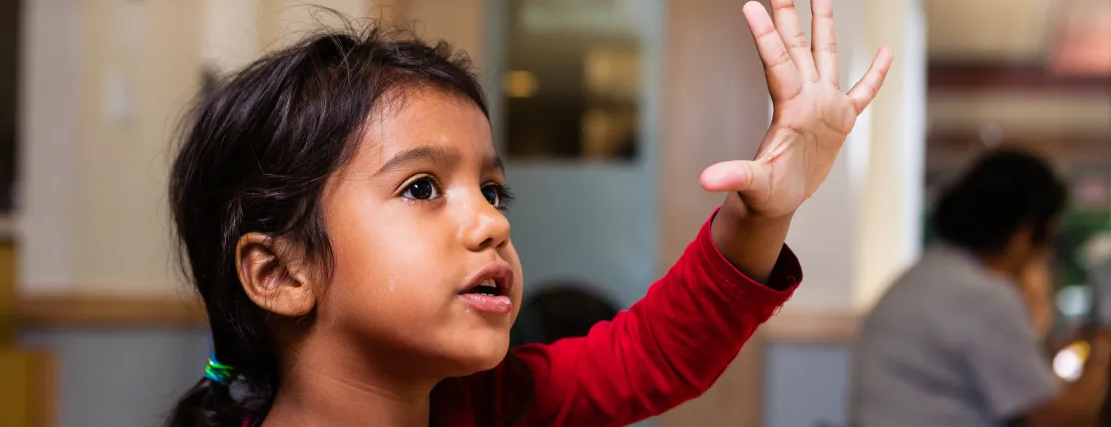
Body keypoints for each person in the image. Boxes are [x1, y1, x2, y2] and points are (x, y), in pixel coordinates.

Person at [165, 0, 892, 426]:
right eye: (422, 188)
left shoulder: (494, 404)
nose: (492, 222)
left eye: (493, 190)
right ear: (280, 270)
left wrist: (764, 213)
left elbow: (654, 352)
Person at [850, 149, 1111, 427]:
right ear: (1023, 235)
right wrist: (1101, 351)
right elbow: (1059, 418)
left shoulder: (928, 274)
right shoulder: (983, 296)